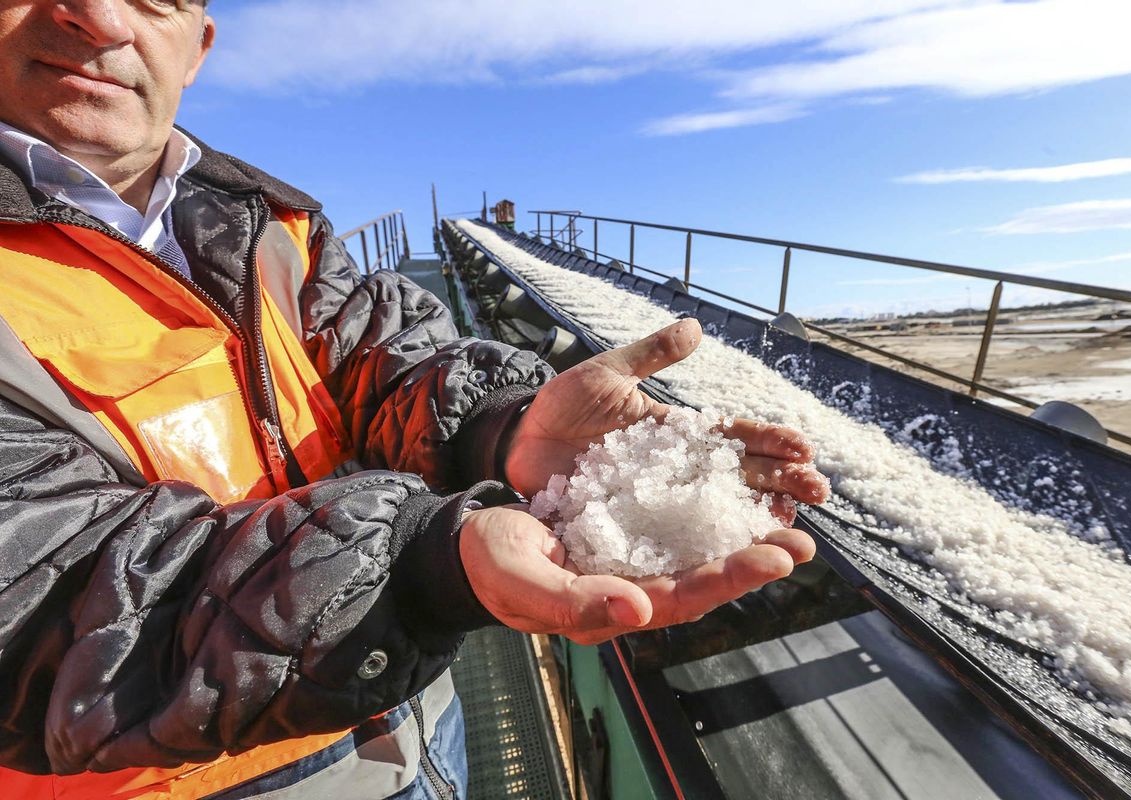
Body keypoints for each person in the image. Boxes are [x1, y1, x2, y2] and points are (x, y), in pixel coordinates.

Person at [0, 1, 829, 798]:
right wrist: (424, 566)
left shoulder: (267, 222)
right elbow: (39, 589)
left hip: (400, 719)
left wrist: (503, 425)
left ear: (199, 45)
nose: (101, 19)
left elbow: (381, 359)